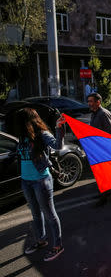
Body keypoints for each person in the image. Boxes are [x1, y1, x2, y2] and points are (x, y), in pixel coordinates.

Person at [16, 108, 66, 261]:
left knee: (49, 215)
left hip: (41, 180)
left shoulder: (42, 134)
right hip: (26, 181)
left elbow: (58, 146)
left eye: (20, 120)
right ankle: (41, 240)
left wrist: (59, 128)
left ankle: (58, 246)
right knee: (35, 214)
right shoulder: (22, 136)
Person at [87, 92, 111, 206]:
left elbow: (110, 133)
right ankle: (104, 192)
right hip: (96, 148)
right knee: (99, 172)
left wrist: (103, 147)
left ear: (98, 102)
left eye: (91, 101)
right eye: (88, 101)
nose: (89, 104)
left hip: (103, 149)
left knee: (103, 173)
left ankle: (104, 198)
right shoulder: (94, 113)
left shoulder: (103, 113)